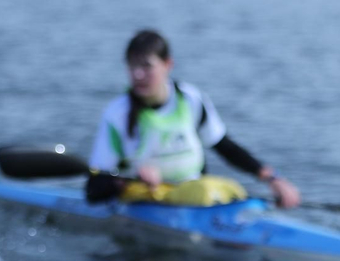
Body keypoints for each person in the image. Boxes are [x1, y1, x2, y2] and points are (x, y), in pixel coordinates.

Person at [85, 29, 301, 209]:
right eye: (132, 66)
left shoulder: (190, 98)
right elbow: (93, 189)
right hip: (147, 201)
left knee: (232, 189)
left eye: (146, 66)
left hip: (195, 197)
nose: (138, 75)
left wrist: (274, 180)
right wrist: (128, 180)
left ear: (168, 64)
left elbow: (224, 146)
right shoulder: (117, 114)